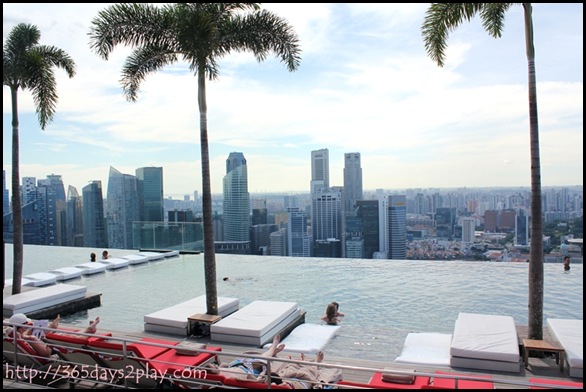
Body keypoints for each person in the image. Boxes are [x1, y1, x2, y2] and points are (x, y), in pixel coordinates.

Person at [3, 313, 102, 359]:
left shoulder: (14, 336)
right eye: (27, 325)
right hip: (51, 350)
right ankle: (89, 330)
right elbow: (46, 354)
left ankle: (88, 330)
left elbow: (24, 335)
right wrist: (49, 339)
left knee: (62, 334)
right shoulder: (30, 338)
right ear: (22, 327)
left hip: (32, 350)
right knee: (68, 338)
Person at [205, 334, 286, 381]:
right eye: (215, 366)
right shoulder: (229, 377)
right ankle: (273, 347)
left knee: (254, 357)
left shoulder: (219, 372)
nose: (216, 366)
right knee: (263, 359)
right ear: (214, 371)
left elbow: (223, 365)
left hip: (240, 365)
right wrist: (262, 374)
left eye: (215, 365)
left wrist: (225, 366)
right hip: (250, 370)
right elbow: (255, 381)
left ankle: (272, 351)